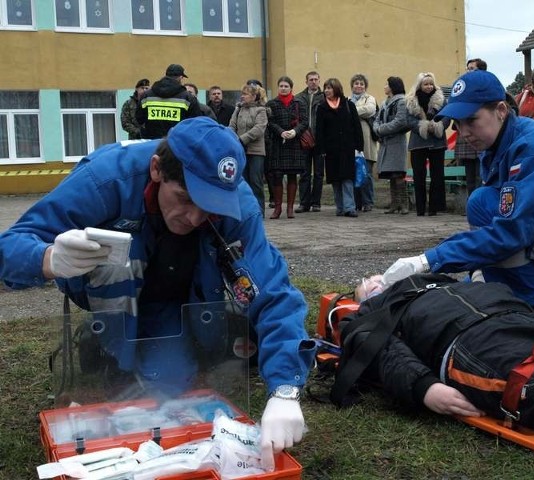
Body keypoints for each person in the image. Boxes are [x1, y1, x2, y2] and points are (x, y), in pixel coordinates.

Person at [0, 117, 315, 471]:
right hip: (114, 285)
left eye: (209, 206)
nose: (195, 217)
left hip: (178, 295)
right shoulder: (106, 178)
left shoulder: (235, 201)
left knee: (168, 384)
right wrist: (49, 259)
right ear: (156, 170)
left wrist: (285, 390)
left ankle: (167, 338)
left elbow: (272, 290)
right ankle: (109, 340)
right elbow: (10, 247)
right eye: (184, 198)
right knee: (120, 269)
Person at [383, 70, 534, 335]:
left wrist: (427, 261)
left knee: (489, 208)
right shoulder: (499, 142)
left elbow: (512, 231)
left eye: (471, 120)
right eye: (457, 123)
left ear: (501, 110)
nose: (464, 131)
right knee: (484, 209)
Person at [343, 273, 534, 480]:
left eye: (373, 277)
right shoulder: (374, 310)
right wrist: (424, 386)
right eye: (364, 284)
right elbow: (377, 348)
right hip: (472, 342)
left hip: (524, 317)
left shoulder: (445, 280)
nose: (372, 279)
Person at [315, 78, 364, 218]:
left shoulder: (348, 105)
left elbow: (356, 126)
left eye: (329, 88)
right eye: (325, 88)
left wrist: (359, 145)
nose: (326, 91)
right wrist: (321, 149)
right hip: (331, 149)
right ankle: (340, 207)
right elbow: (320, 130)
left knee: (347, 177)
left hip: (347, 148)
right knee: (335, 179)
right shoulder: (322, 107)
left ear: (336, 89)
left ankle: (350, 207)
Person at [405, 72, 450, 216]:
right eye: (426, 84)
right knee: (419, 176)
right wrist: (422, 126)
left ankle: (434, 208)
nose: (429, 86)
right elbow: (408, 120)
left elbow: (447, 117)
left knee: (437, 175)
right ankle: (420, 208)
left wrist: (438, 126)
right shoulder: (411, 100)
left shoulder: (441, 99)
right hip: (418, 142)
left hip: (437, 142)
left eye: (431, 83)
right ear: (420, 85)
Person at [265, 76, 308, 219]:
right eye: (281, 86)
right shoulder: (271, 104)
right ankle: (277, 208)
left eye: (286, 86)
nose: (283, 88)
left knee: (292, 176)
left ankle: (290, 208)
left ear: (291, 88)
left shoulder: (299, 103)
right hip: (278, 143)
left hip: (294, 143)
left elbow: (304, 122)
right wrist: (281, 132)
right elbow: (270, 122)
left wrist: (294, 131)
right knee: (277, 176)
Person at [229, 83, 269, 216]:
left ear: (253, 96)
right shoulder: (238, 109)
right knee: (242, 181)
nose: (242, 96)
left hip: (256, 151)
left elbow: (259, 128)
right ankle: (245, 209)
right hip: (240, 150)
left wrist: (242, 139)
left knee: (256, 181)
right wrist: (233, 139)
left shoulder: (261, 110)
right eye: (242, 93)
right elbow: (232, 126)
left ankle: (259, 210)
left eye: (245, 94)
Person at [373, 76, 410, 215]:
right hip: (386, 142)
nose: (384, 86)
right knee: (391, 175)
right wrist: (377, 128)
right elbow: (376, 119)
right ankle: (394, 204)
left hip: (396, 142)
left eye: (387, 84)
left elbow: (400, 121)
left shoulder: (401, 101)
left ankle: (404, 204)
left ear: (393, 87)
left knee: (398, 174)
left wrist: (381, 129)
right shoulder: (384, 103)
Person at [135, 64, 202, 139]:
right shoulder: (188, 98)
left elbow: (139, 119)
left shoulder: (147, 95)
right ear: (180, 77)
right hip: (176, 144)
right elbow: (195, 122)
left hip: (152, 144)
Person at [455, 59, 487, 205]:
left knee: (481, 175)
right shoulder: (463, 88)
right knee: (469, 177)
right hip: (466, 136)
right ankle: (471, 204)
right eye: (467, 68)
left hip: (482, 135)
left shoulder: (487, 88)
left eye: (472, 68)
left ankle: (480, 204)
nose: (468, 71)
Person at [294, 71, 325, 213]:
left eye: (316, 79)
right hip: (303, 139)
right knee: (305, 173)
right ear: (306, 82)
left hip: (319, 140)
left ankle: (316, 203)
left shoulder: (324, 97)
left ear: (319, 81)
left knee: (318, 173)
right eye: (310, 79)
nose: (313, 82)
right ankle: (304, 203)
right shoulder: (299, 98)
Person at [349, 73, 378, 212]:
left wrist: (352, 111)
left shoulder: (370, 98)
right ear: (352, 85)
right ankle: (356, 202)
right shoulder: (347, 99)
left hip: (366, 141)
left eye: (361, 84)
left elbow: (370, 110)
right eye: (356, 83)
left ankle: (368, 202)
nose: (359, 86)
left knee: (366, 172)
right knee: (353, 172)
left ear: (365, 86)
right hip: (351, 141)